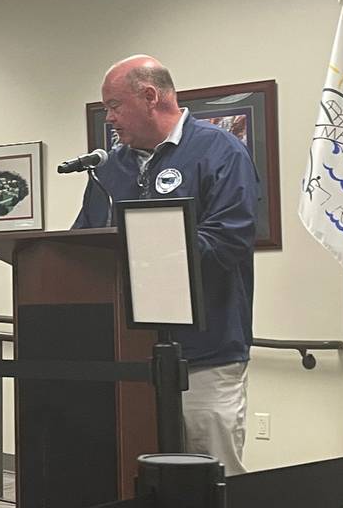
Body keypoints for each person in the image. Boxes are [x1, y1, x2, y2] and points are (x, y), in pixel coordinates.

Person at [73, 55, 259, 475]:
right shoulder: (110, 168)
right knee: (136, 470)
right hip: (128, 355)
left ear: (151, 96)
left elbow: (229, 240)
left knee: (210, 474)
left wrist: (150, 255)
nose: (111, 119)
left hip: (204, 353)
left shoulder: (219, 151)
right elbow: (84, 242)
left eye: (115, 105)